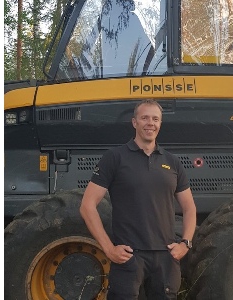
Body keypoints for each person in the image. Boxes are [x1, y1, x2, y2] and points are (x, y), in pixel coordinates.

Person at [80, 99, 197, 299]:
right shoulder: (115, 158)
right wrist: (109, 249)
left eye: (155, 119)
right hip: (128, 257)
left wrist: (185, 244)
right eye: (144, 118)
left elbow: (189, 209)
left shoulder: (173, 162)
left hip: (166, 258)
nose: (150, 123)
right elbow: (87, 206)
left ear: (160, 124)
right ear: (134, 122)